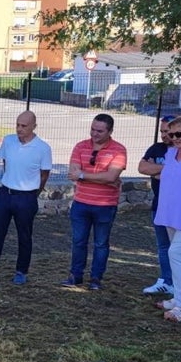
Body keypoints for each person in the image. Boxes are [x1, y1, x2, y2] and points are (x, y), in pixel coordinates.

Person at [0, 111, 52, 285]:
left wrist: (32, 193)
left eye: (24, 126)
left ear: (34, 126)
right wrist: (11, 181)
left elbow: (44, 174)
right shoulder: (8, 141)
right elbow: (5, 163)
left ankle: (21, 272)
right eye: (17, 124)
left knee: (24, 236)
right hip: (5, 194)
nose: (19, 129)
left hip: (26, 197)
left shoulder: (42, 148)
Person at [138, 116, 181, 305]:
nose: (173, 137)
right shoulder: (171, 154)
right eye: (170, 133)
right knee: (177, 257)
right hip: (172, 215)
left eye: (178, 134)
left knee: (177, 254)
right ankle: (179, 298)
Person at [62, 113, 127, 290]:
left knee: (101, 243)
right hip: (81, 203)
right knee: (78, 241)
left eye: (99, 131)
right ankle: (75, 275)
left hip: (105, 205)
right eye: (92, 129)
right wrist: (103, 178)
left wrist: (84, 175)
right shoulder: (80, 146)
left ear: (110, 131)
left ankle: (96, 278)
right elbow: (73, 174)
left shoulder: (119, 150)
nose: (94, 133)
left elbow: (112, 176)